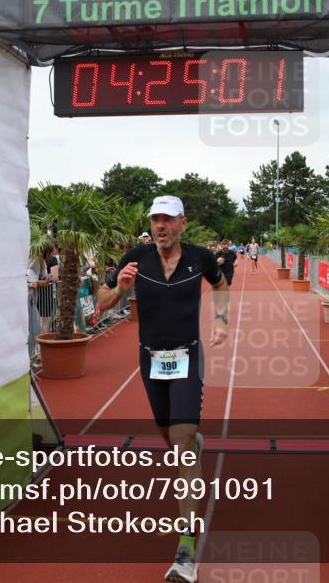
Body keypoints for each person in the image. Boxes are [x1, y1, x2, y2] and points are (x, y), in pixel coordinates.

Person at [95, 195, 229, 583]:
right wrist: (119, 289)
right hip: (150, 359)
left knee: (183, 444)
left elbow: (221, 288)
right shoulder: (136, 258)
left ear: (182, 223)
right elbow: (102, 303)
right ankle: (188, 444)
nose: (160, 226)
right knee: (170, 438)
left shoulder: (200, 257)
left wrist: (220, 320)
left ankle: (186, 546)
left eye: (168, 219)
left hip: (188, 357)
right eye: (156, 219)